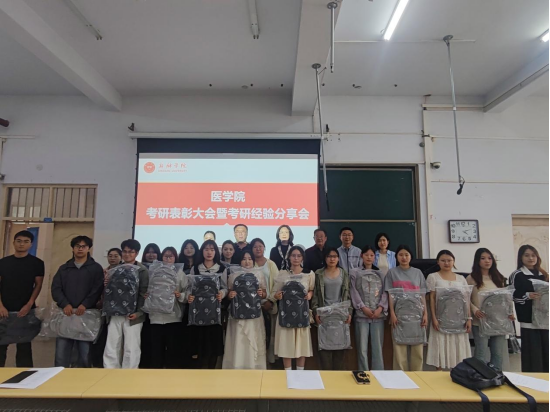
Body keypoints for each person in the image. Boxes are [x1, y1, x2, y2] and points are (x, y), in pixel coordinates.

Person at [51, 236, 104, 368]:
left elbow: (97, 289)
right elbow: (56, 288)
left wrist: (85, 304)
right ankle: (60, 376)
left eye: (83, 246)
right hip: (66, 314)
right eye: (77, 246)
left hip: (86, 314)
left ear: (88, 248)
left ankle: (82, 378)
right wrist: (65, 304)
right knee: (62, 352)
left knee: (84, 353)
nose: (80, 249)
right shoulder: (64, 268)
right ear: (73, 248)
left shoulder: (95, 268)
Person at [0, 231, 45, 368]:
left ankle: (25, 374)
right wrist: (0, 305)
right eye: (19, 241)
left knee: (24, 346)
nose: (22, 244)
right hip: (4, 309)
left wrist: (29, 304)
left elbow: (38, 285)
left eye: (26, 241)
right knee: (1, 345)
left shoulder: (37, 263)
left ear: (31, 244)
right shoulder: (3, 262)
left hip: (25, 310)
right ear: (14, 243)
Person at [103, 239, 149, 369]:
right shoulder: (115, 269)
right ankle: (110, 371)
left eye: (131, 252)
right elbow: (110, 291)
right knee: (112, 344)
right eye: (125, 251)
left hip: (133, 315)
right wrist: (106, 284)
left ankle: (130, 373)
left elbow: (144, 293)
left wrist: (139, 312)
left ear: (137, 253)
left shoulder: (142, 270)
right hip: (115, 312)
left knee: (131, 346)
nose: (127, 254)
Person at [467, 248, 513, 371]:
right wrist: (475, 310)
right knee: (481, 352)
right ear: (477, 261)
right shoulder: (471, 278)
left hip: (498, 320)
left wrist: (510, 313)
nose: (487, 261)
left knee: (497, 353)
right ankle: (479, 376)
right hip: (480, 320)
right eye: (483, 258)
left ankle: (496, 376)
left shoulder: (499, 277)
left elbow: (506, 298)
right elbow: (466, 299)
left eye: (489, 258)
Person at [427, 250, 472, 371]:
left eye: (449, 260)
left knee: (458, 344)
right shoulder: (433, 277)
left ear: (453, 262)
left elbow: (466, 299)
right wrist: (434, 318)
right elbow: (432, 298)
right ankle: (439, 371)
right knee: (440, 343)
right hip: (440, 318)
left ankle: (457, 372)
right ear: (438, 262)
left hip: (459, 318)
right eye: (443, 260)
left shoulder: (461, 278)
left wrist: (469, 318)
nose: (446, 263)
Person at [385, 245, 428, 371]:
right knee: (399, 350)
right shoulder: (392, 273)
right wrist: (392, 314)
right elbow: (390, 295)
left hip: (417, 315)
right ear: (396, 257)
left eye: (406, 255)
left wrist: (425, 313)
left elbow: (422, 295)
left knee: (417, 350)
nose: (403, 257)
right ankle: (400, 377)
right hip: (399, 314)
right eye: (401, 255)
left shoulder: (418, 273)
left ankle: (417, 376)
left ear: (410, 257)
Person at [273, 246, 315, 371]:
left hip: (302, 313)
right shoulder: (282, 273)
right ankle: (288, 374)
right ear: (289, 257)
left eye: (299, 256)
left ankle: (300, 374)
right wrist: (277, 295)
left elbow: (311, 289)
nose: (296, 258)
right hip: (285, 314)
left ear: (302, 258)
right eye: (293, 255)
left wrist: (310, 295)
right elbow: (275, 292)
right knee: (286, 344)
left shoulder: (309, 274)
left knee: (301, 345)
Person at [223, 250, 267, 370]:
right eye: (244, 259)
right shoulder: (233, 275)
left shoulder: (259, 274)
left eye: (249, 259)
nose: (247, 262)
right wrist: (230, 295)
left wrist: (261, 293)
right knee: (239, 339)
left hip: (254, 315)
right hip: (237, 315)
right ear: (239, 261)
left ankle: (254, 366)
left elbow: (264, 293)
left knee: (253, 339)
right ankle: (236, 365)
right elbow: (229, 293)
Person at [188, 240, 228, 369]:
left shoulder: (222, 268)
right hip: (197, 312)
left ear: (216, 252)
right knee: (199, 343)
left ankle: (212, 371)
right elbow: (190, 287)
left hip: (214, 312)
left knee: (213, 344)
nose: (209, 252)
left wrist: (222, 293)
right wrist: (189, 295)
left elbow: (225, 288)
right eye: (206, 249)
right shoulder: (195, 268)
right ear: (202, 251)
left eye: (212, 249)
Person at [311, 247, 352, 370]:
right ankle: (326, 379)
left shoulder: (344, 273)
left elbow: (347, 294)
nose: (332, 259)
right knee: (325, 352)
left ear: (338, 258)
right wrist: (316, 312)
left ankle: (338, 380)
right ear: (325, 258)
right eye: (329, 256)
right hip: (324, 316)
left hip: (340, 316)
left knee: (340, 350)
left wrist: (349, 312)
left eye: (334, 256)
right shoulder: (318, 273)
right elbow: (315, 295)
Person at [511, 245, 550, 373]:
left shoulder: (544, 274)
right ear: (521, 257)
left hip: (545, 320)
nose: (531, 258)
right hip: (529, 320)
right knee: (533, 355)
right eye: (527, 255)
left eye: (533, 255)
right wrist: (527, 296)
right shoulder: (517, 275)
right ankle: (532, 380)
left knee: (546, 353)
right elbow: (511, 295)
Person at [148, 247, 188, 369]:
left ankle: (171, 374)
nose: (168, 259)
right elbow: (147, 289)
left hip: (173, 317)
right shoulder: (153, 271)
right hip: (156, 317)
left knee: (172, 350)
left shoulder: (180, 273)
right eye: (166, 256)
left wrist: (180, 295)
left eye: (171, 256)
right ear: (161, 257)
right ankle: (156, 372)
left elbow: (187, 293)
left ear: (175, 258)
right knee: (156, 350)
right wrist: (147, 295)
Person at [350, 245, 387, 372]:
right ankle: (363, 372)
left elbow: (385, 292)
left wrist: (380, 308)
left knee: (377, 347)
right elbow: (353, 291)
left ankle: (379, 373)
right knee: (362, 348)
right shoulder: (354, 272)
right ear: (362, 256)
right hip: (361, 314)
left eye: (371, 255)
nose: (369, 257)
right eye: (366, 255)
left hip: (378, 315)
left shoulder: (381, 273)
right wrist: (362, 307)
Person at [250, 238, 279, 364]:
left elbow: (277, 284)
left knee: (269, 334)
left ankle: (269, 363)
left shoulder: (271, 264)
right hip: (252, 306)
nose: (258, 249)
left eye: (260, 246)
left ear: (264, 248)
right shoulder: (249, 264)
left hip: (269, 304)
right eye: (255, 247)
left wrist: (271, 301)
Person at [139, 243, 160, 369]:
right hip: (141, 308)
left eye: (154, 252)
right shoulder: (139, 268)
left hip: (157, 308)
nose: (151, 255)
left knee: (154, 339)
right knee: (143, 338)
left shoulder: (162, 269)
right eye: (148, 252)